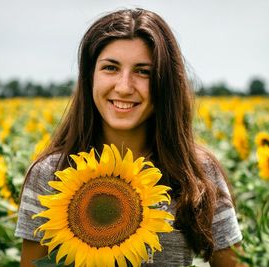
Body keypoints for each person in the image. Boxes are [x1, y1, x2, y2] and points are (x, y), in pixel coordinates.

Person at [15, 8, 243, 267]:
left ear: (164, 82)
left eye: (143, 71)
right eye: (110, 68)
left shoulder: (197, 174)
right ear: (90, 77)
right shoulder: (51, 174)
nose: (124, 87)